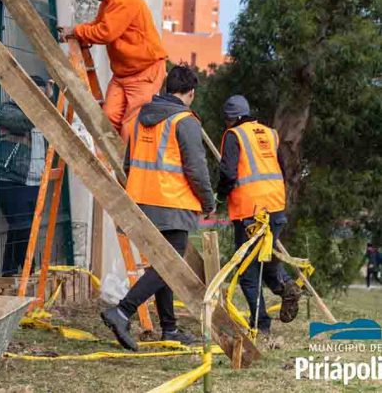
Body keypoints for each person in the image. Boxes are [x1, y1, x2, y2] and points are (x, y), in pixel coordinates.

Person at [100, 65, 214, 350]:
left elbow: (129, 161)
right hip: (172, 202)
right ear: (190, 93)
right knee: (170, 265)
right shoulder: (185, 121)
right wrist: (209, 202)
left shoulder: (141, 117)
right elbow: (197, 169)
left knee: (161, 264)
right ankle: (123, 311)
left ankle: (170, 328)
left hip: (142, 200)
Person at [216, 94, 301, 333]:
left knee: (247, 270)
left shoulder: (234, 135)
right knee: (266, 257)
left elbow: (228, 174)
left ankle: (261, 324)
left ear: (230, 119)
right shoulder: (269, 133)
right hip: (275, 207)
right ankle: (285, 286)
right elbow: (282, 168)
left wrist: (220, 195)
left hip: (250, 211)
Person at [60, 0, 168, 140]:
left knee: (130, 128)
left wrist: (76, 31)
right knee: (108, 119)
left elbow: (106, 32)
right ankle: (113, 165)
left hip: (144, 72)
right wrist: (80, 34)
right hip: (123, 74)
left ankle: (126, 168)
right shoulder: (109, 1)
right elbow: (98, 26)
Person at [0, 75, 53, 276]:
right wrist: (42, 101)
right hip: (11, 179)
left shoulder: (43, 113)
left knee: (20, 229)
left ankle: (9, 272)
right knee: (22, 226)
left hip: (35, 181)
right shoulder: (8, 110)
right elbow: (25, 121)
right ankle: (29, 270)